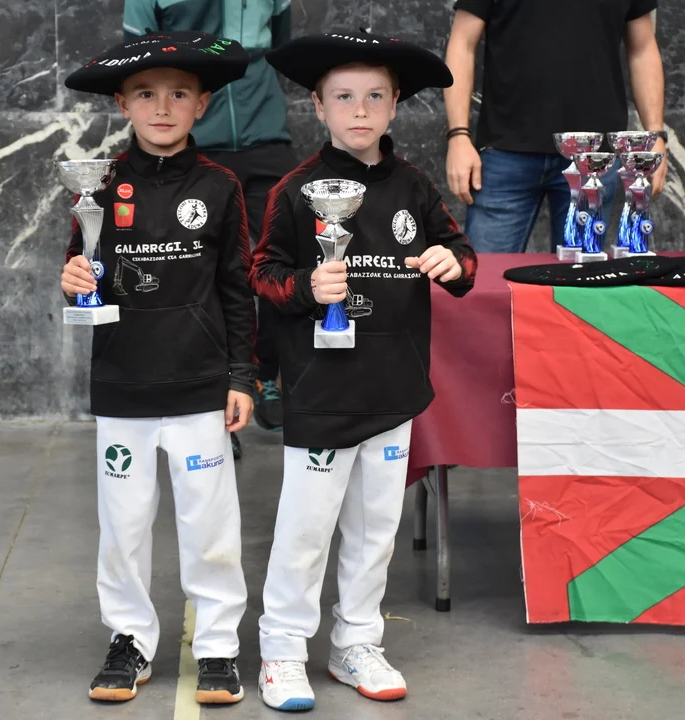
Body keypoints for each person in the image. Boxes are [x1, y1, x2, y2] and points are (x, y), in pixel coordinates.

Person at [250, 31, 478, 711]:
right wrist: (304, 288)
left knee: (375, 529)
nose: (359, 109)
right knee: (305, 530)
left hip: (392, 386)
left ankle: (356, 642)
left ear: (395, 104)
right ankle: (283, 650)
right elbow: (262, 273)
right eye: (344, 97)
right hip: (322, 390)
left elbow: (461, 252)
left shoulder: (414, 186)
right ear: (318, 106)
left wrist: (452, 263)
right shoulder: (296, 190)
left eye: (374, 96)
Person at [59, 31, 255, 705]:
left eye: (178, 94)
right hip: (124, 385)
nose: (162, 108)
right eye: (146, 94)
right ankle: (130, 639)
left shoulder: (221, 187)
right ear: (122, 103)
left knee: (211, 527)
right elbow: (81, 273)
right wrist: (74, 280)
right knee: (123, 525)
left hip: (200, 386)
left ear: (202, 104)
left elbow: (238, 289)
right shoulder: (99, 186)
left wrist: (241, 376)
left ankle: (218, 645)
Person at [123, 0, 296, 440]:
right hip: (197, 140)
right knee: (201, 269)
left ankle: (265, 374)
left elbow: (279, 46)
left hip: (266, 135)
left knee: (285, 259)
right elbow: (136, 60)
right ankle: (216, 398)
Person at [443, 0, 667, 253]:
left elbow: (643, 49)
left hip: (592, 159)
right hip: (504, 154)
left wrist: (656, 135)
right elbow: (462, 43)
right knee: (485, 274)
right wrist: (458, 136)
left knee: (580, 275)